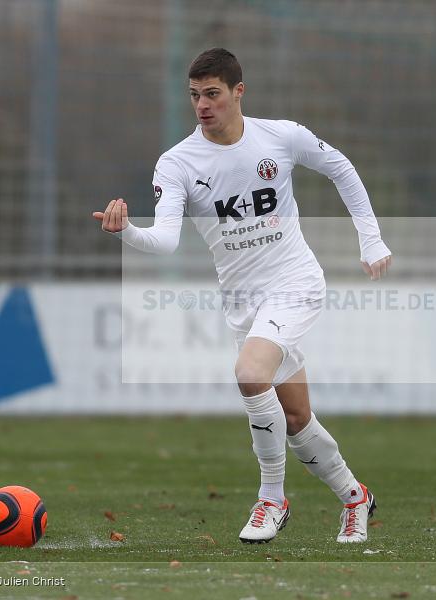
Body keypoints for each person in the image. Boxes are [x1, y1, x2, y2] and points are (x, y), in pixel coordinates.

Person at [93, 48, 391, 542]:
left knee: (251, 375)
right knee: (295, 418)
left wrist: (371, 237)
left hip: (294, 282)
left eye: (212, 94)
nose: (203, 105)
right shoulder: (177, 164)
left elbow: (342, 169)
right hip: (244, 304)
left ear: (238, 93)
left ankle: (271, 498)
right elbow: (165, 241)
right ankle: (356, 497)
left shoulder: (281, 136)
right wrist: (125, 231)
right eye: (194, 96)